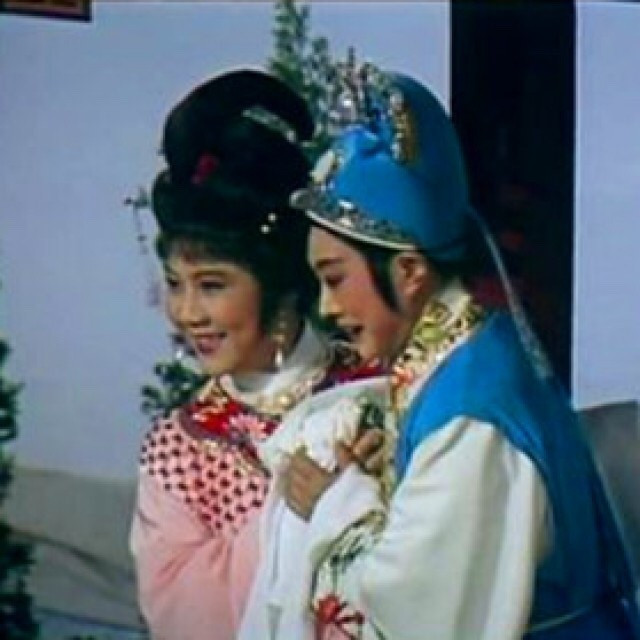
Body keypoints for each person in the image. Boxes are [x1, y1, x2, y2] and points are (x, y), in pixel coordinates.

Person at [276, 56, 640, 639]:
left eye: (336, 278)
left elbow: (422, 611)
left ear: (410, 273)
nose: (327, 307)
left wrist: (335, 504)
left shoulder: (472, 417)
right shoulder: (465, 360)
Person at [128, 68, 383, 640]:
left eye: (212, 285)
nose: (186, 312)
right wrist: (290, 513)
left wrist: (353, 505)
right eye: (176, 283)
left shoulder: (379, 387)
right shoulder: (180, 448)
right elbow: (181, 618)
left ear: (282, 285)